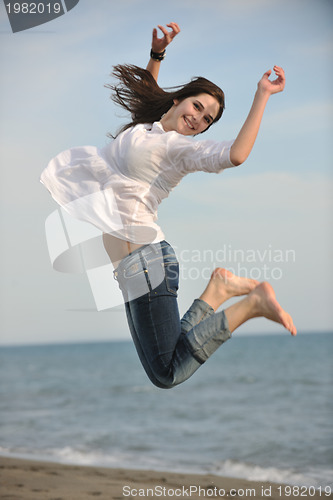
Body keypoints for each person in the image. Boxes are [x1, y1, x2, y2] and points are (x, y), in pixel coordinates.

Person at [41, 23, 296, 389]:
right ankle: (218, 290)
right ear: (178, 99)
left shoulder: (179, 148)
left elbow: (237, 155)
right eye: (197, 105)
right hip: (133, 270)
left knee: (166, 373)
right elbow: (147, 94)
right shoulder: (145, 130)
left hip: (147, 263)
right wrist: (158, 54)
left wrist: (263, 95)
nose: (198, 118)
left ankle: (251, 305)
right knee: (168, 358)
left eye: (207, 119)